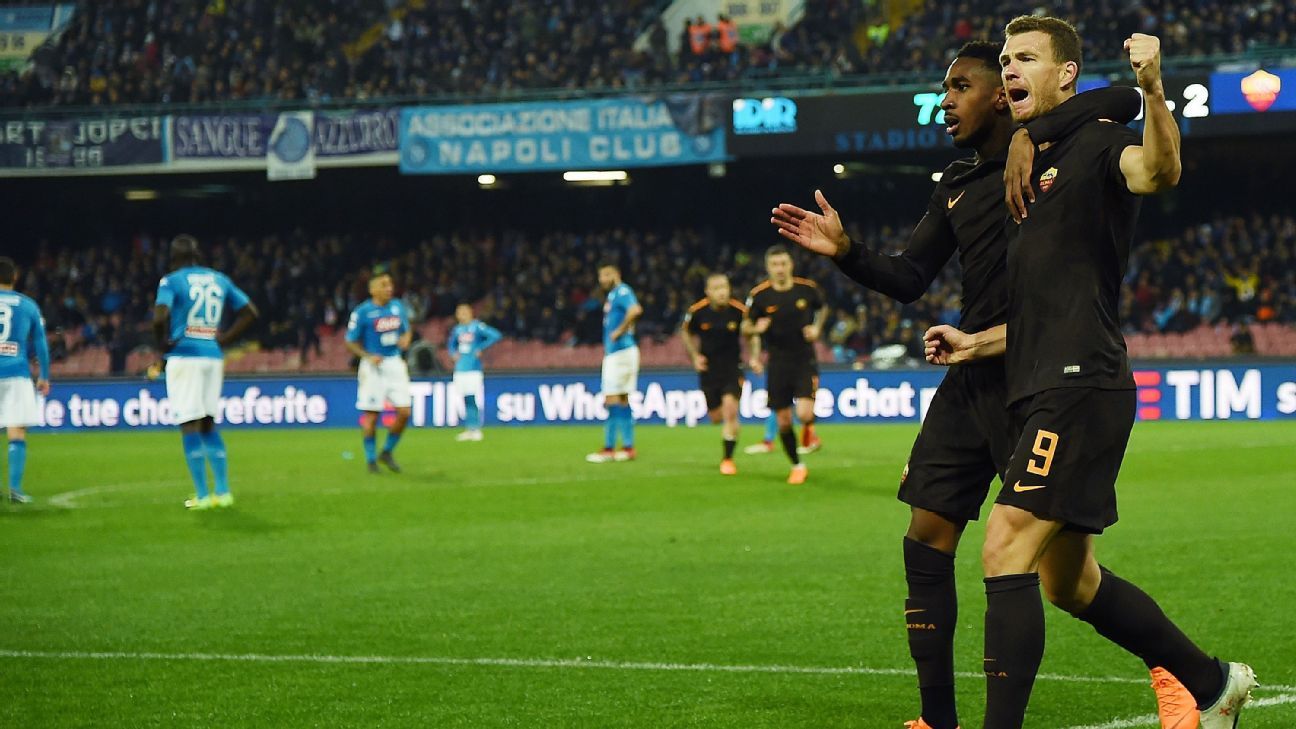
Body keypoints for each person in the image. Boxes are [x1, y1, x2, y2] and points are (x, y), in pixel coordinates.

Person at [772, 42, 1161, 729]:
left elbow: (1122, 100)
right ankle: (936, 718)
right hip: (969, 373)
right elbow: (910, 276)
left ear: (1001, 94)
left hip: (1038, 374)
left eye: (959, 87)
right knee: (926, 531)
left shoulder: (1060, 153)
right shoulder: (957, 179)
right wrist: (847, 252)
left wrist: (1034, 135)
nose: (945, 100)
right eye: (944, 88)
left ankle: (1190, 672)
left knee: (1067, 579)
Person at [925, 19, 1254, 729]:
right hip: (1038, 380)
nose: (1010, 69)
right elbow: (1045, 304)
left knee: (1004, 545)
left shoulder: (1100, 143)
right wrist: (975, 342)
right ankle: (1213, 682)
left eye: (1026, 58)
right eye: (1005, 59)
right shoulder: (1029, 158)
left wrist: (1153, 90)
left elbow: (1157, 171)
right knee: (1070, 582)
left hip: (1080, 383)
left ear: (1066, 72)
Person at [152, 235, 258, 510]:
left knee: (189, 423)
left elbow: (160, 317)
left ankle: (201, 496)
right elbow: (250, 312)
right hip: (212, 355)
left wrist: (162, 344)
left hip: (185, 356)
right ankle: (223, 492)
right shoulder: (219, 279)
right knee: (208, 422)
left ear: (173, 258)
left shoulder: (171, 281)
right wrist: (223, 340)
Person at [743, 246, 826, 485]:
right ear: (768, 268)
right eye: (775, 265)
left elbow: (822, 308)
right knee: (783, 420)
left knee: (804, 413)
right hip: (777, 363)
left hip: (804, 359)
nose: (780, 269)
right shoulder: (759, 296)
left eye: (783, 264)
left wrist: (817, 328)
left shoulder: (806, 289)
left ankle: (809, 429)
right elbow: (745, 327)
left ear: (791, 265)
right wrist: (755, 331)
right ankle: (797, 466)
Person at [345, 267, 413, 474]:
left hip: (395, 363)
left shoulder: (397, 307)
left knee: (404, 412)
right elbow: (350, 341)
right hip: (373, 367)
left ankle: (387, 451)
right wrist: (366, 356)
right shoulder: (362, 312)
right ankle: (371, 460)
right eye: (384, 285)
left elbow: (407, 330)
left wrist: (406, 338)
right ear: (372, 289)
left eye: (390, 284)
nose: (389, 288)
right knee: (372, 416)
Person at [680, 272, 746, 475]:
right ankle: (731, 429)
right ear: (708, 292)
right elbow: (685, 332)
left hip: (733, 369)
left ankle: (728, 459)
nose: (721, 292)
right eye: (716, 288)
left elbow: (751, 333)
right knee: (716, 416)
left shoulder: (739, 311)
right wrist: (694, 357)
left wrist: (753, 356)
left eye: (724, 287)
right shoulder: (697, 312)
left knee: (730, 410)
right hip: (709, 371)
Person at [0, 257, 50, 504]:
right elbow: (40, 342)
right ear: (15, 276)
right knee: (17, 429)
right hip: (16, 373)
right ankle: (15, 490)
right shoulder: (28, 305)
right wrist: (44, 376)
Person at [586, 262, 642, 463]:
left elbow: (635, 310)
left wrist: (619, 330)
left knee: (611, 399)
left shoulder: (622, 291)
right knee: (623, 399)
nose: (603, 279)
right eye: (601, 275)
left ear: (616, 274)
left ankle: (609, 448)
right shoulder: (613, 295)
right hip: (624, 352)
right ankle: (628, 447)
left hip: (619, 353)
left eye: (607, 274)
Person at [448, 302, 502, 442]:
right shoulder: (457, 329)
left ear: (470, 313)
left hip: (473, 368)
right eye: (459, 313)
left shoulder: (477, 326)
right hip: (460, 368)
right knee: (465, 398)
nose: (462, 315)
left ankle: (476, 428)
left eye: (464, 312)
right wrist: (453, 354)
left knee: (472, 398)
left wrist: (480, 347)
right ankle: (469, 428)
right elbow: (451, 344)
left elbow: (495, 335)